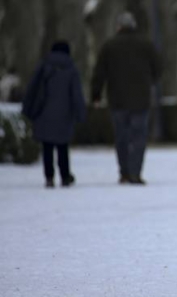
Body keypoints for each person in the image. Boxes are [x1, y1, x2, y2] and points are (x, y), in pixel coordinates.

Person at [91, 11, 161, 185]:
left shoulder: (109, 46)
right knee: (139, 137)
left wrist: (96, 94)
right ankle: (136, 172)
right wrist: (149, 82)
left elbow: (99, 72)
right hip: (141, 99)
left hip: (117, 99)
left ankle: (124, 172)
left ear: (119, 26)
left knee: (121, 137)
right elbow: (158, 68)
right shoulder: (146, 45)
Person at [21, 41, 87, 188]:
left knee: (47, 147)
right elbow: (76, 94)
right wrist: (80, 114)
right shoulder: (71, 69)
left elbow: (32, 88)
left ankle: (49, 177)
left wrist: (27, 108)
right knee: (63, 147)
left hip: (44, 112)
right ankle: (65, 175)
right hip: (64, 114)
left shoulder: (43, 66)